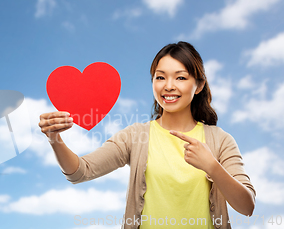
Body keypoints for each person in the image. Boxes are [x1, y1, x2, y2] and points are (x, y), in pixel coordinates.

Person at [38, 41, 255, 229]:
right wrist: (54, 139)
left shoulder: (220, 140)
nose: (168, 86)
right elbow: (80, 172)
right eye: (160, 77)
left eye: (180, 78)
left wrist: (212, 166)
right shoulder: (136, 136)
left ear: (198, 85)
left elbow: (247, 207)